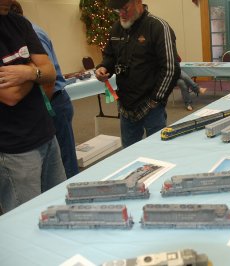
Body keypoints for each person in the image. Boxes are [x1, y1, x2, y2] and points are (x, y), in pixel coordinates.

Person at [0, 0, 66, 213]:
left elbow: (50, 73)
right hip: (15, 150)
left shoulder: (19, 22)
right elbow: (10, 95)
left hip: (46, 136)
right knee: (26, 220)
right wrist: (35, 71)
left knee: (59, 209)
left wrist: (29, 73)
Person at [95, 0, 180, 148]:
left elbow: (171, 68)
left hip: (151, 106)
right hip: (125, 105)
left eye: (125, 9)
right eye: (117, 11)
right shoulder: (116, 28)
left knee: (158, 152)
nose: (121, 14)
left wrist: (155, 100)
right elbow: (110, 57)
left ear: (138, 2)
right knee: (129, 153)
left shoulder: (158, 27)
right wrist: (103, 68)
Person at [10, 0, 79, 179]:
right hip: (51, 101)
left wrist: (43, 105)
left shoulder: (31, 33)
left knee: (64, 161)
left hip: (53, 102)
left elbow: (48, 78)